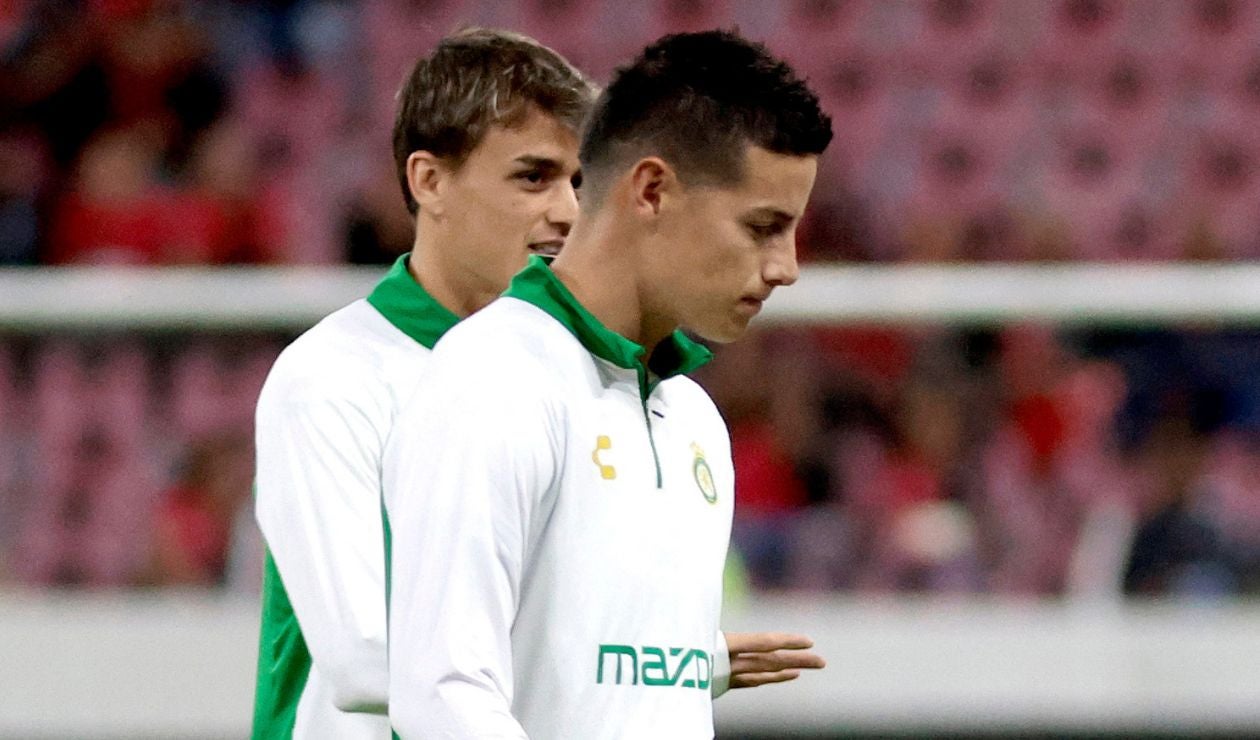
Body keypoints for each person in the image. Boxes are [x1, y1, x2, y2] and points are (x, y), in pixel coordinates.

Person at [253, 28, 822, 740]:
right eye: (533, 177)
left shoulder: (644, 396)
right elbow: (370, 661)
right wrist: (645, 660)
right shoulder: (332, 379)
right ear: (428, 182)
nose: (564, 210)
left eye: (579, 181)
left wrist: (659, 660)